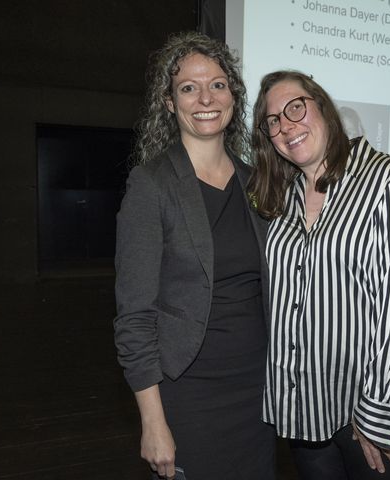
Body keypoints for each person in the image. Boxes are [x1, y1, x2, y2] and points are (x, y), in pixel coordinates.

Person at [249, 70, 390, 479]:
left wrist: (376, 411)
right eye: (273, 121)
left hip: (378, 407)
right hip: (308, 410)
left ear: (323, 109)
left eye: (295, 107)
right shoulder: (280, 199)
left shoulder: (387, 179)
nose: (286, 125)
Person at [113, 31, 275, 480]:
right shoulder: (152, 185)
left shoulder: (256, 182)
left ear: (233, 95)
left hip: (257, 394)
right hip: (189, 395)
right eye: (188, 87)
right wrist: (153, 421)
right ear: (169, 103)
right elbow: (134, 316)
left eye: (217, 84)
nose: (205, 97)